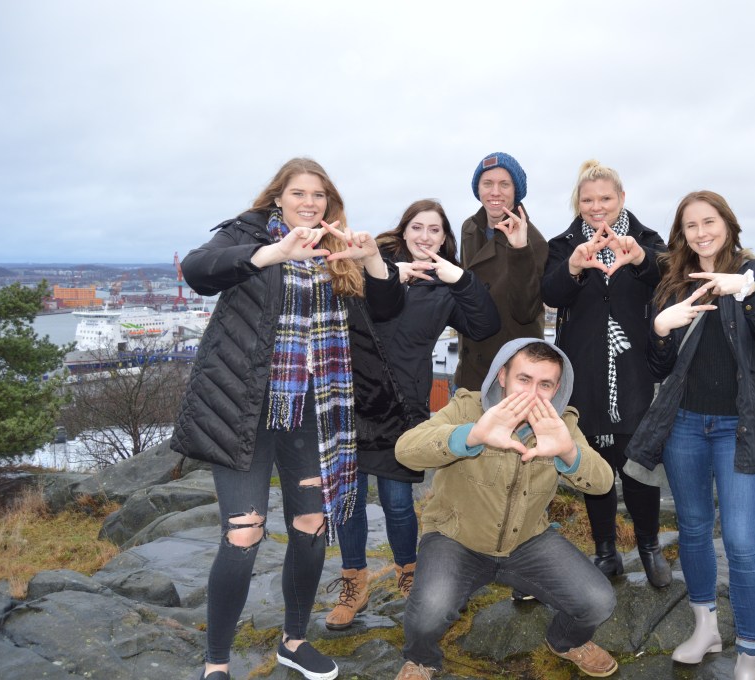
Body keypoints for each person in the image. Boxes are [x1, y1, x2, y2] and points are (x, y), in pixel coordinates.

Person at [170, 158, 404, 680]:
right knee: (243, 533)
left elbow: (387, 308)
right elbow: (198, 271)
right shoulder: (247, 234)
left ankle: (294, 641)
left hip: (314, 412)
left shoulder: (338, 247)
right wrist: (274, 254)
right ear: (278, 197)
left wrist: (371, 259)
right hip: (244, 408)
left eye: (319, 195)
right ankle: (216, 663)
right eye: (299, 193)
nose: (309, 203)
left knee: (311, 524)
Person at [626, 190, 755, 680]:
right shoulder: (674, 284)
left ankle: (750, 654)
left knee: (742, 542)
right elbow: (660, 368)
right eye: (691, 225)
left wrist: (746, 291)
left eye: (709, 221)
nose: (701, 233)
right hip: (685, 425)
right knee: (694, 530)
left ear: (728, 224)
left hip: (740, 427)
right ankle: (706, 630)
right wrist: (660, 329)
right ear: (681, 234)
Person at [392, 339, 619, 680]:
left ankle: (565, 641)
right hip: (456, 537)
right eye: (524, 379)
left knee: (598, 601)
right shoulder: (467, 408)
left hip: (528, 541)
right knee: (429, 611)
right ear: (502, 376)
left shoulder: (562, 424)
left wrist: (568, 452)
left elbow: (602, 483)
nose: (533, 393)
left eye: (545, 385)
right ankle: (421, 659)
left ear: (557, 388)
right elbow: (405, 450)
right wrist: (472, 436)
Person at [326, 199, 500, 630]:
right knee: (349, 500)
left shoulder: (445, 286)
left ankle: (409, 572)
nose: (425, 236)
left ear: (444, 238)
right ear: (403, 231)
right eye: (417, 227)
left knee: (399, 503)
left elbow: (485, 325)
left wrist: (461, 279)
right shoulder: (371, 266)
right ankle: (354, 582)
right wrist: (383, 271)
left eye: (434, 230)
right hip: (352, 398)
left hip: (404, 405)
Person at [541, 159, 669, 586]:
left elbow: (669, 277)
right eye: (588, 200)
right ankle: (606, 552)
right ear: (577, 202)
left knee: (637, 465)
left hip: (634, 369)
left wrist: (640, 259)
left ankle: (649, 547)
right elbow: (550, 293)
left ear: (622, 198)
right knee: (593, 466)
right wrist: (575, 267)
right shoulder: (563, 245)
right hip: (584, 369)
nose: (597, 207)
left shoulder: (648, 240)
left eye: (606, 199)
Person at [454, 152, 549, 391]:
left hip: (509, 375)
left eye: (504, 184)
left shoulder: (535, 241)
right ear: (478, 189)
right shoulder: (469, 228)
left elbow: (525, 312)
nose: (495, 192)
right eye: (487, 183)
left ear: (516, 191)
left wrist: (519, 250)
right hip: (468, 371)